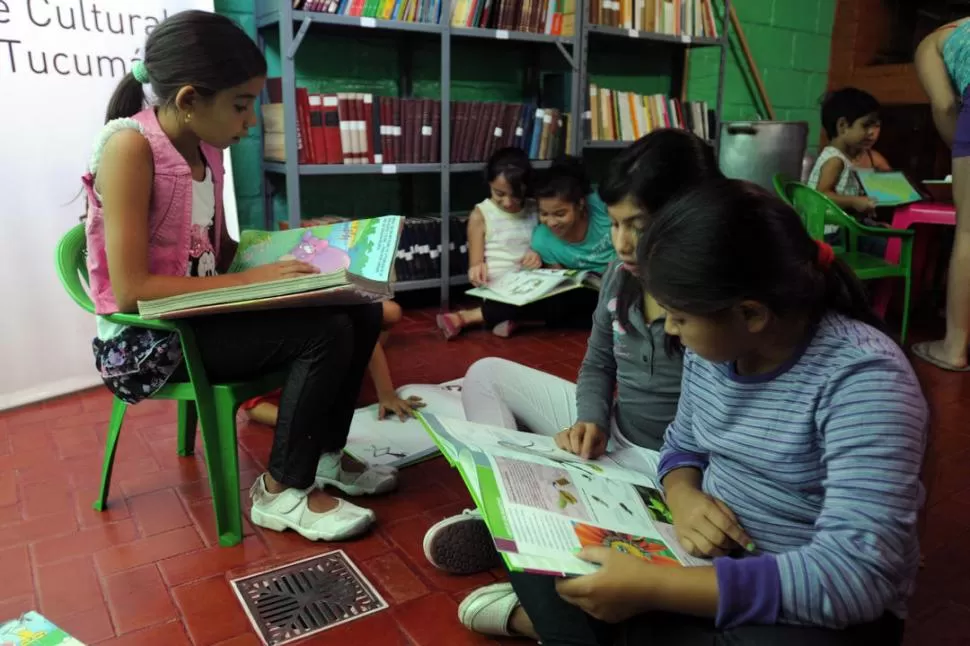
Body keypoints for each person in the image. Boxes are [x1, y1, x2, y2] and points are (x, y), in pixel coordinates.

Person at [455, 180, 926, 646]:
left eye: (679, 316)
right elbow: (682, 443)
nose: (671, 331)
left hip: (798, 596)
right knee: (547, 554)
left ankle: (552, 624)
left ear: (751, 314)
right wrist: (682, 494)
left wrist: (654, 588)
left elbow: (853, 579)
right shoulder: (716, 348)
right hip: (704, 555)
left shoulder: (864, 379)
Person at [83, 11, 394, 543]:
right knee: (324, 333)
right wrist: (257, 284)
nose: (251, 122)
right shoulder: (130, 148)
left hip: (202, 311)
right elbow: (133, 292)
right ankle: (279, 490)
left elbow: (220, 250)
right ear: (187, 100)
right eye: (241, 105)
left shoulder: (207, 145)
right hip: (149, 340)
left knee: (360, 308)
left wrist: (300, 257)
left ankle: (322, 456)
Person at [422, 130, 723, 576]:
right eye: (617, 224)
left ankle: (525, 530)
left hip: (684, 473)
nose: (622, 244)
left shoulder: (714, 302)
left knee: (682, 552)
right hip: (617, 437)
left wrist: (685, 484)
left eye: (638, 226)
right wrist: (592, 418)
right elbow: (598, 360)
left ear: (685, 218)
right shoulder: (621, 275)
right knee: (486, 373)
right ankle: (506, 507)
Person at [437, 155, 609, 339]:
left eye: (560, 214)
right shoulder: (542, 238)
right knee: (576, 307)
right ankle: (478, 317)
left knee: (595, 315)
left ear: (580, 204)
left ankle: (521, 319)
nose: (551, 222)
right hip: (518, 288)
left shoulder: (600, 209)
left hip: (623, 283)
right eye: (544, 214)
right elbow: (558, 282)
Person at [243, 300, 425, 425]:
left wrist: (387, 395)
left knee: (386, 315)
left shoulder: (329, 325)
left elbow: (368, 341)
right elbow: (252, 408)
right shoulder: (267, 357)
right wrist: (298, 422)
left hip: (333, 337)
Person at [913, 17, 970, 370]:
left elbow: (945, 105)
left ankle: (954, 348)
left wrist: (960, 153)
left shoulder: (932, 43)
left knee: (969, 233)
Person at [807, 87, 888, 256]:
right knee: (885, 244)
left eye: (877, 125)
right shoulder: (835, 160)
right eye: (866, 125)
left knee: (879, 231)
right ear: (843, 126)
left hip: (838, 228)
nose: (872, 132)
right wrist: (854, 201)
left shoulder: (841, 157)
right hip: (831, 234)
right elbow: (822, 194)